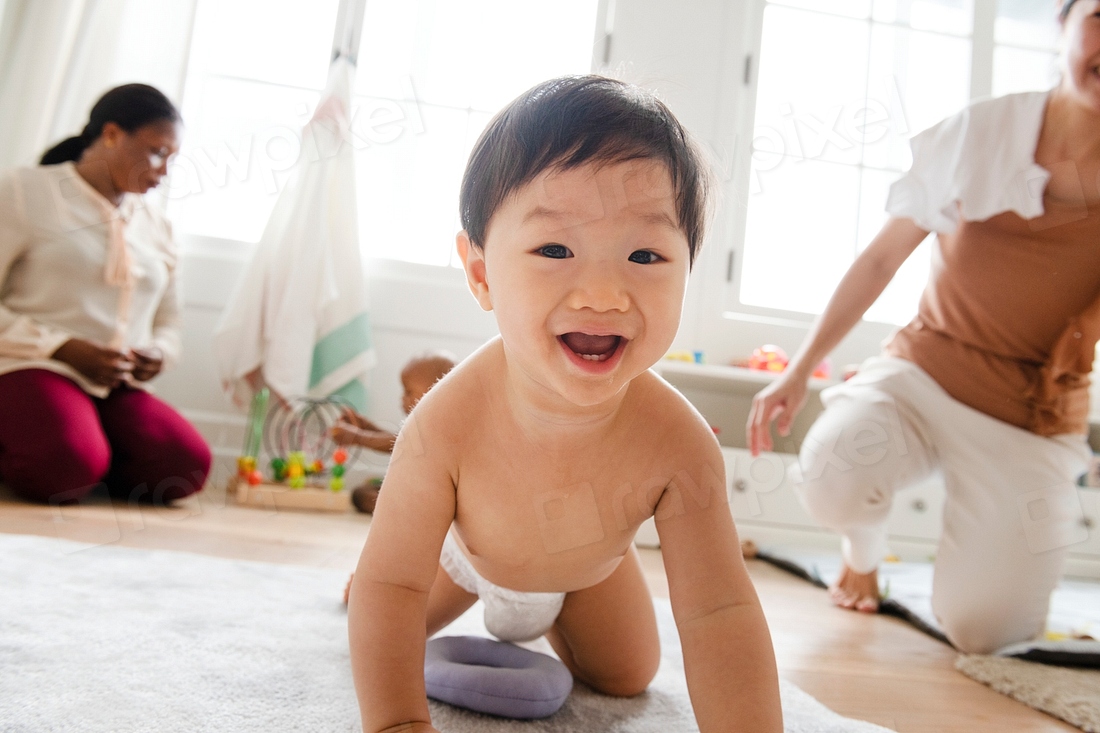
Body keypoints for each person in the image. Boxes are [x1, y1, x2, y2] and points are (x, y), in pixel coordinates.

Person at [347, 76, 782, 733]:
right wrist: (397, 722)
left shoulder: (678, 441)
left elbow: (718, 609)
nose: (603, 294)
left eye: (646, 253)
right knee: (378, 608)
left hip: (589, 572)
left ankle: (558, 618)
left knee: (629, 676)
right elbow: (395, 588)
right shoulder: (445, 420)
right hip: (465, 563)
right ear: (482, 273)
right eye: (555, 249)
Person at [747, 0, 1100, 655]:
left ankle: (979, 538)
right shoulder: (981, 133)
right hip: (922, 375)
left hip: (1030, 416)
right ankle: (865, 552)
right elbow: (881, 258)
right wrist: (797, 371)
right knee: (831, 472)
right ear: (1064, 24)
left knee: (988, 631)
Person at [0, 84, 211, 506]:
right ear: (112, 134)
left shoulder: (157, 226)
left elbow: (169, 324)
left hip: (114, 383)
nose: (164, 172)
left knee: (185, 467)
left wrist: (157, 354)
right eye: (156, 152)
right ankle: (66, 452)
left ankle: (80, 450)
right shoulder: (23, 193)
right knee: (62, 470)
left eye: (172, 159)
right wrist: (61, 346)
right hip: (29, 362)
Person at [331, 351, 456, 513]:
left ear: (434, 392)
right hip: (418, 491)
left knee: (364, 496)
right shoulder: (420, 429)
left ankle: (403, 513)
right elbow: (397, 441)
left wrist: (357, 437)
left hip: (433, 497)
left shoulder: (441, 427)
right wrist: (366, 427)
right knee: (363, 492)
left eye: (408, 392)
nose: (402, 398)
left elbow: (399, 444)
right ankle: (399, 509)